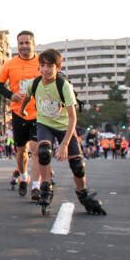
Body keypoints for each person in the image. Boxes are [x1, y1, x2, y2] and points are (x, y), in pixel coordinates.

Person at [21, 49, 106, 215]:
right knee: (43, 152)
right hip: (44, 124)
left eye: (50, 66)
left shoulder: (63, 86)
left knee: (77, 165)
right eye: (42, 65)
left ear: (58, 67)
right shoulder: (35, 83)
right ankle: (46, 187)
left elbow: (73, 118)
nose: (45, 69)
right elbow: (27, 96)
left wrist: (64, 145)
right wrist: (23, 109)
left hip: (64, 126)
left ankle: (83, 194)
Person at [0, 30, 41, 200]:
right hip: (18, 113)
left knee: (36, 150)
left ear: (33, 44)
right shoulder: (10, 64)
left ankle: (36, 186)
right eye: (20, 43)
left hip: (38, 113)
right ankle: (23, 176)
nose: (24, 46)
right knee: (21, 152)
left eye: (27, 43)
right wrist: (10, 95)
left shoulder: (42, 62)